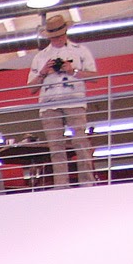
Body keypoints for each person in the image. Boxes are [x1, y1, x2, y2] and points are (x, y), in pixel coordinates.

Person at [29, 13, 98, 187]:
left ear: (65, 33)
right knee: (55, 147)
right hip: (49, 105)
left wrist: (73, 71)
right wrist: (43, 72)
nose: (57, 39)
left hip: (75, 101)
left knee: (80, 142)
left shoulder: (80, 50)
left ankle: (87, 183)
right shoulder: (40, 57)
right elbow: (31, 88)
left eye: (59, 36)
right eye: (54, 37)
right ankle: (61, 185)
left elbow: (94, 76)